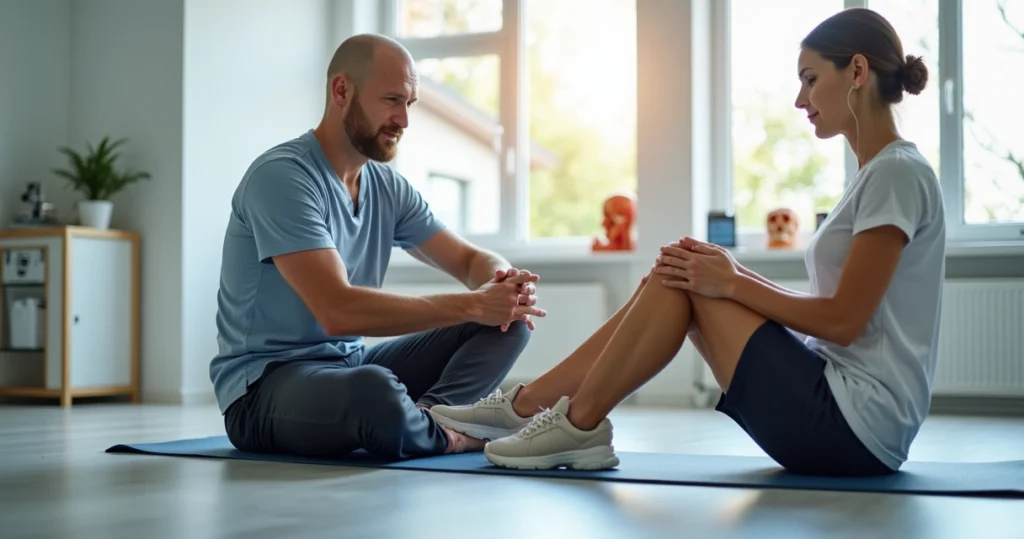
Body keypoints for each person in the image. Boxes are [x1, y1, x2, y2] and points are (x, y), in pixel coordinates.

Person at [429, 7, 945, 477]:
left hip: (853, 426)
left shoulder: (896, 174)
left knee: (685, 280)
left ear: (857, 72)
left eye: (810, 79)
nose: (800, 99)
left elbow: (842, 320)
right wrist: (729, 274)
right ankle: (532, 407)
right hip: (838, 409)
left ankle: (568, 421)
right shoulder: (876, 174)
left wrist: (731, 283)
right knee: (683, 268)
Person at [209, 33, 548, 461]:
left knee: (509, 323)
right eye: (392, 100)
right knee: (374, 391)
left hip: (347, 367)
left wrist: (504, 285)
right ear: (341, 91)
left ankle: (433, 422)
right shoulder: (283, 178)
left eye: (410, 103)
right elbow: (338, 311)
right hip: (263, 390)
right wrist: (473, 305)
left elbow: (467, 259)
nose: (404, 120)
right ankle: (449, 431)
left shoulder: (386, 187)